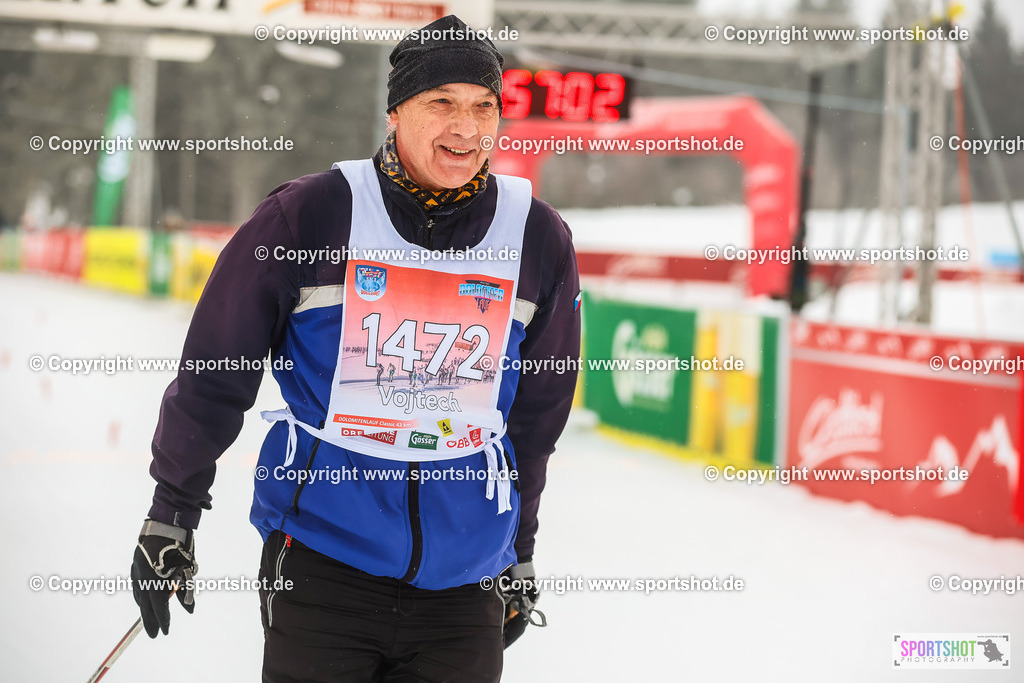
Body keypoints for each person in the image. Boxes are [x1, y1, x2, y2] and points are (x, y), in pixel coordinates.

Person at [130, 14, 580, 683]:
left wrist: (519, 549)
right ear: (395, 112)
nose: (466, 127)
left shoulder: (536, 237)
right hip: (323, 565)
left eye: (484, 106)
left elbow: (535, 420)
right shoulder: (311, 216)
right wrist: (172, 512)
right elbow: (217, 371)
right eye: (442, 103)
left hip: (466, 582)